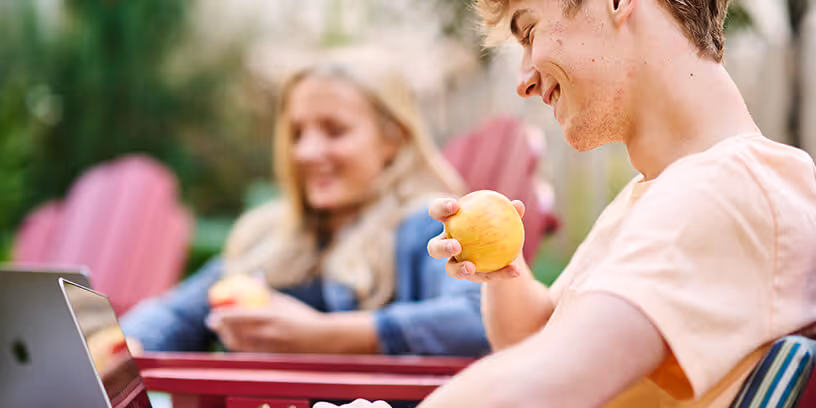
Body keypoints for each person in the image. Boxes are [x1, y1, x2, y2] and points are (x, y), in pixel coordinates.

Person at [314, 0, 816, 406]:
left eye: (529, 31)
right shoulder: (663, 193)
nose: (524, 79)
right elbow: (536, 342)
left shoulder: (725, 190)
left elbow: (547, 382)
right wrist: (502, 268)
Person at [119, 48, 490, 357]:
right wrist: (128, 346)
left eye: (335, 130)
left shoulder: (426, 225)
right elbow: (179, 313)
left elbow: (479, 318)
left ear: (393, 138)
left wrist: (329, 335)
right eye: (297, 133)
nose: (307, 151)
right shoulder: (270, 235)